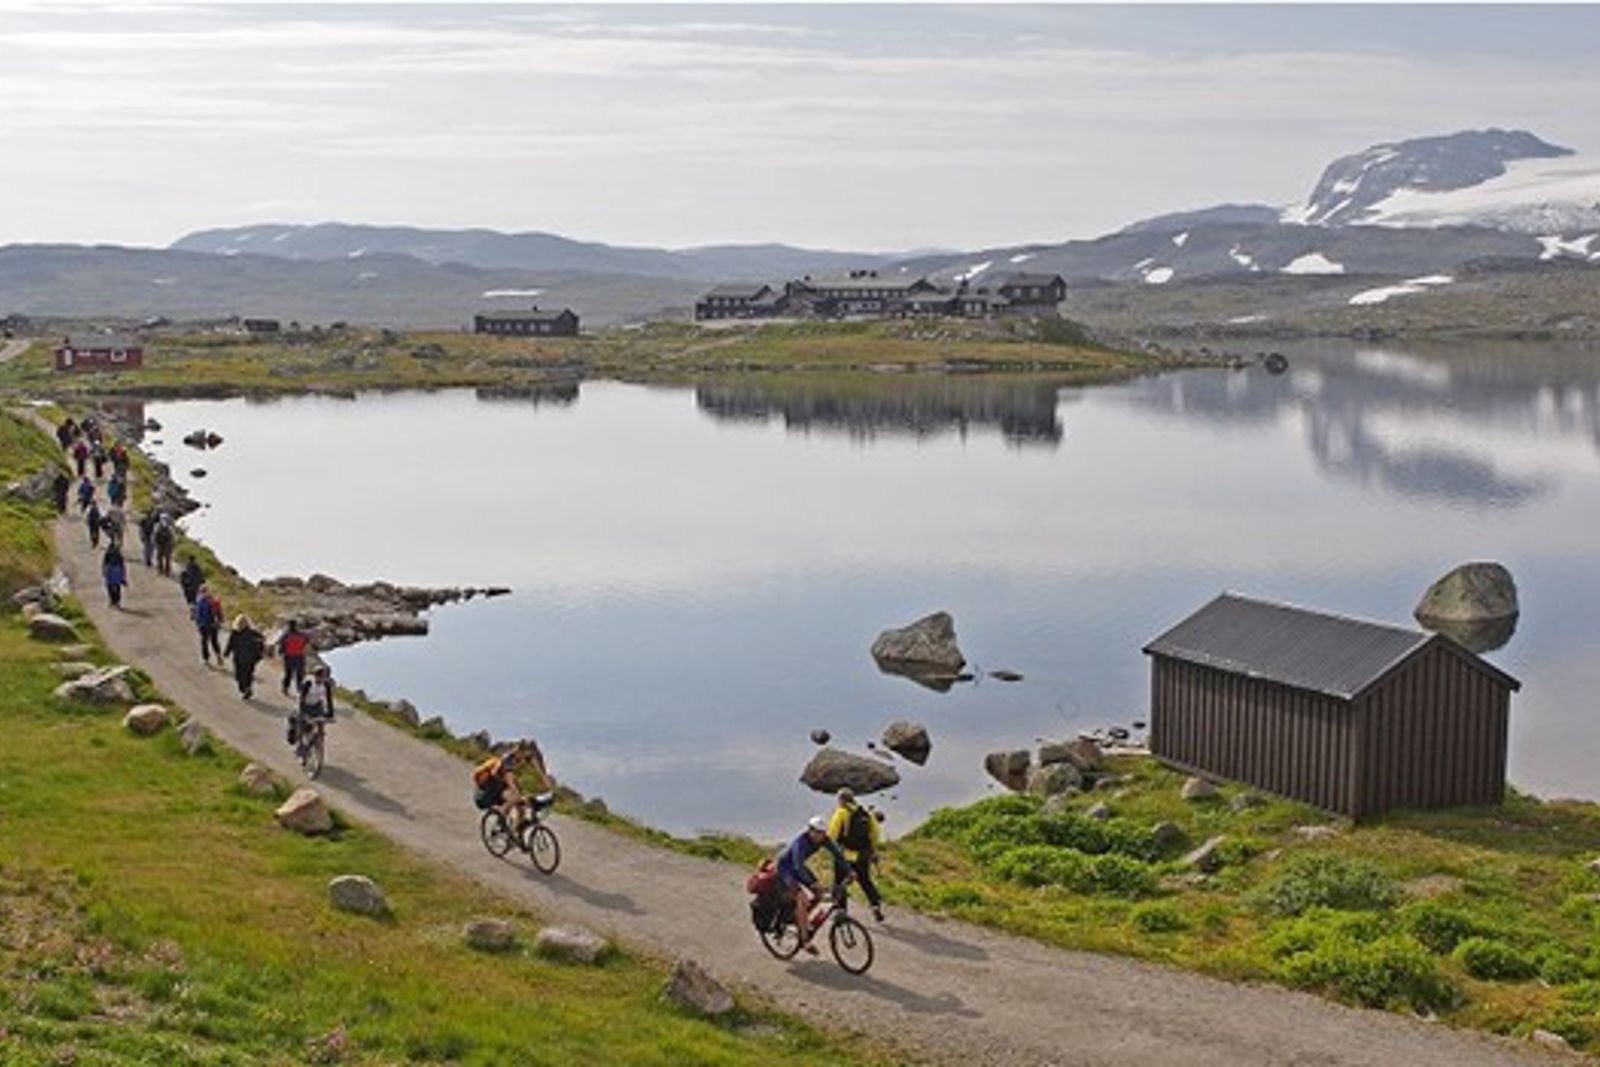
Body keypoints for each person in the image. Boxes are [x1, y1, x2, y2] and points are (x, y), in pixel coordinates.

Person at [775, 815, 850, 955]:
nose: (820, 836)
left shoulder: (824, 839)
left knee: (819, 895)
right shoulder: (800, 843)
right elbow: (797, 867)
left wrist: (849, 871)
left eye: (822, 833)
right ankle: (804, 941)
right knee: (802, 898)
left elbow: (837, 854)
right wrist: (813, 883)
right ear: (810, 830)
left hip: (799, 867)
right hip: (785, 868)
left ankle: (800, 917)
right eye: (817, 832)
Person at [828, 787, 886, 922]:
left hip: (844, 856)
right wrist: (872, 851)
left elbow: (832, 834)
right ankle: (875, 905)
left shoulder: (841, 812)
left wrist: (833, 850)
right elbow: (875, 835)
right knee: (865, 880)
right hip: (862, 856)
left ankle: (841, 911)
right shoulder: (866, 813)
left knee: (839, 882)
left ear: (841, 799)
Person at [472, 741, 551, 833]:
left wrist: (547, 787)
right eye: (526, 755)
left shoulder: (526, 756)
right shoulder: (508, 760)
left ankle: (513, 835)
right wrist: (520, 796)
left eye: (529, 756)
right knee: (514, 798)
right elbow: (509, 780)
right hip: (494, 785)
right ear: (520, 751)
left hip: (505, 782)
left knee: (522, 810)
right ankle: (499, 823)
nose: (526, 758)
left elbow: (540, 772)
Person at [290, 664, 336, 749]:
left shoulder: (326, 684)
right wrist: (303, 713)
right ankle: (300, 744)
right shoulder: (309, 683)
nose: (321, 679)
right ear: (315, 676)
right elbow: (301, 698)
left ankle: (320, 743)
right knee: (302, 725)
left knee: (321, 724)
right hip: (305, 704)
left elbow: (329, 700)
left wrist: (331, 714)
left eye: (323, 677)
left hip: (317, 705)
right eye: (319, 676)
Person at [223, 614, 265, 699]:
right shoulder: (247, 633)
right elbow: (262, 639)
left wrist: (226, 653)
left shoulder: (240, 633)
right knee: (244, 675)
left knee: (242, 675)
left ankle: (245, 689)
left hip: (244, 658)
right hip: (247, 658)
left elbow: (230, 644)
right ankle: (247, 688)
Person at [277, 620, 311, 696]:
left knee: (288, 673)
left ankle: (285, 688)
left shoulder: (286, 635)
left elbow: (281, 646)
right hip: (299, 656)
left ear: (289, 626)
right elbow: (307, 642)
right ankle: (299, 689)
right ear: (296, 626)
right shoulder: (302, 635)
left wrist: (281, 652)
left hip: (288, 657)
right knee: (299, 674)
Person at [194, 585, 223, 665]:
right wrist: (220, 621)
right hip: (213, 625)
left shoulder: (200, 601)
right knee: (214, 641)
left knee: (205, 642)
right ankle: (218, 656)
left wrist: (198, 624)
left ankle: (206, 659)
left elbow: (198, 615)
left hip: (205, 625)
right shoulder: (214, 601)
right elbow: (219, 612)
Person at [101, 543, 127, 608]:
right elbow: (122, 565)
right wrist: (123, 575)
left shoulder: (107, 554)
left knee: (109, 587)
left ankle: (112, 601)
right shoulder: (118, 554)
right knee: (117, 587)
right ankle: (116, 601)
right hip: (117, 570)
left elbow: (104, 564)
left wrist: (104, 572)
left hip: (110, 570)